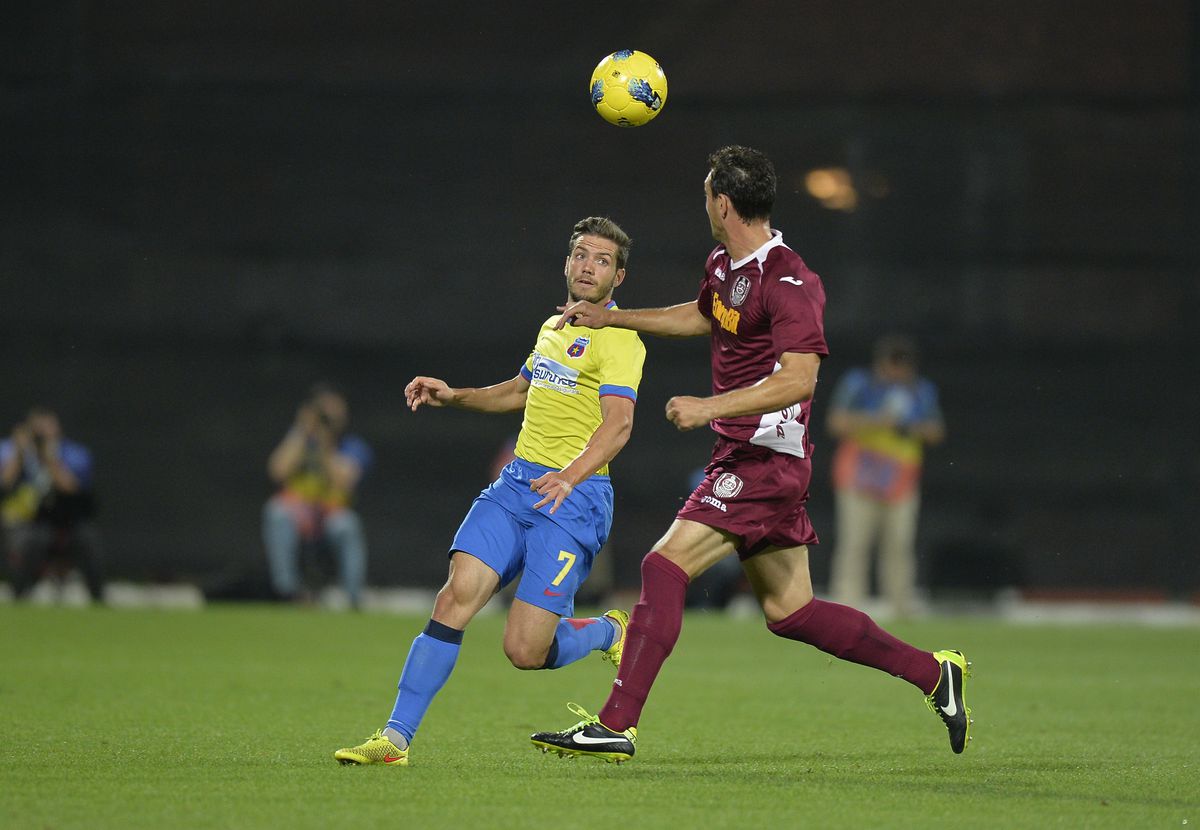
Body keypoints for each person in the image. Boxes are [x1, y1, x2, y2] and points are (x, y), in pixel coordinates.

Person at [529, 146, 971, 764]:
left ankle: (615, 724)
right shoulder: (724, 263)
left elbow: (801, 379)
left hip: (765, 460)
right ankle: (934, 674)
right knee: (792, 611)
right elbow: (701, 315)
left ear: (724, 203)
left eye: (707, 193)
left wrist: (709, 407)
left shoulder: (790, 280)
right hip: (745, 453)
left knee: (662, 566)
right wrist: (611, 318)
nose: (704, 203)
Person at [333, 216, 647, 766]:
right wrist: (452, 395)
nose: (587, 266)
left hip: (573, 501)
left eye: (602, 259)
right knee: (454, 597)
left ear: (618, 276)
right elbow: (519, 392)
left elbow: (618, 425)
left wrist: (569, 476)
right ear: (568, 262)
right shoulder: (554, 328)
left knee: (524, 651)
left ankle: (605, 631)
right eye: (580, 254)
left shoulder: (620, 338)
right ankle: (395, 739)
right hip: (517, 486)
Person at [827, 335, 946, 617]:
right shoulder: (859, 384)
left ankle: (901, 605)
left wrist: (908, 427)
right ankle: (846, 605)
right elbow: (836, 422)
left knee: (899, 543)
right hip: (858, 479)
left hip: (899, 481)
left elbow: (936, 431)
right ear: (881, 364)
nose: (897, 374)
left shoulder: (920, 391)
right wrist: (877, 420)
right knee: (854, 543)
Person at [262, 383, 372, 609]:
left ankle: (353, 599)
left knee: (347, 525)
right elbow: (277, 470)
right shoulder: (300, 441)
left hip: (331, 515)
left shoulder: (352, 446)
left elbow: (344, 480)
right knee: (276, 513)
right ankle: (288, 593)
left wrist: (324, 443)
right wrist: (303, 430)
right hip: (299, 515)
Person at [1, 407, 105, 603]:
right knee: (29, 541)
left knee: (88, 540)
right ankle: (18, 596)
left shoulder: (74, 453)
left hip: (68, 522)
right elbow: (4, 485)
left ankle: (98, 598)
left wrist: (49, 458)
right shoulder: (12, 451)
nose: (41, 434)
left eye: (46, 428)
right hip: (29, 521)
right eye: (36, 429)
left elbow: (72, 488)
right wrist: (19, 455)